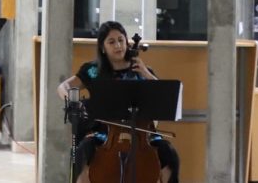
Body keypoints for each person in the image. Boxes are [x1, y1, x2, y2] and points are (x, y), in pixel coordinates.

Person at [56, 21, 180, 183]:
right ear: (103, 47)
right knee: (82, 152)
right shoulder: (93, 70)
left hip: (142, 134)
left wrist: (145, 73)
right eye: (112, 42)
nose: (118, 46)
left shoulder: (141, 70)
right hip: (104, 134)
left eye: (121, 40)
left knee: (169, 153)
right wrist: (72, 100)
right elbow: (64, 86)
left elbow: (163, 96)